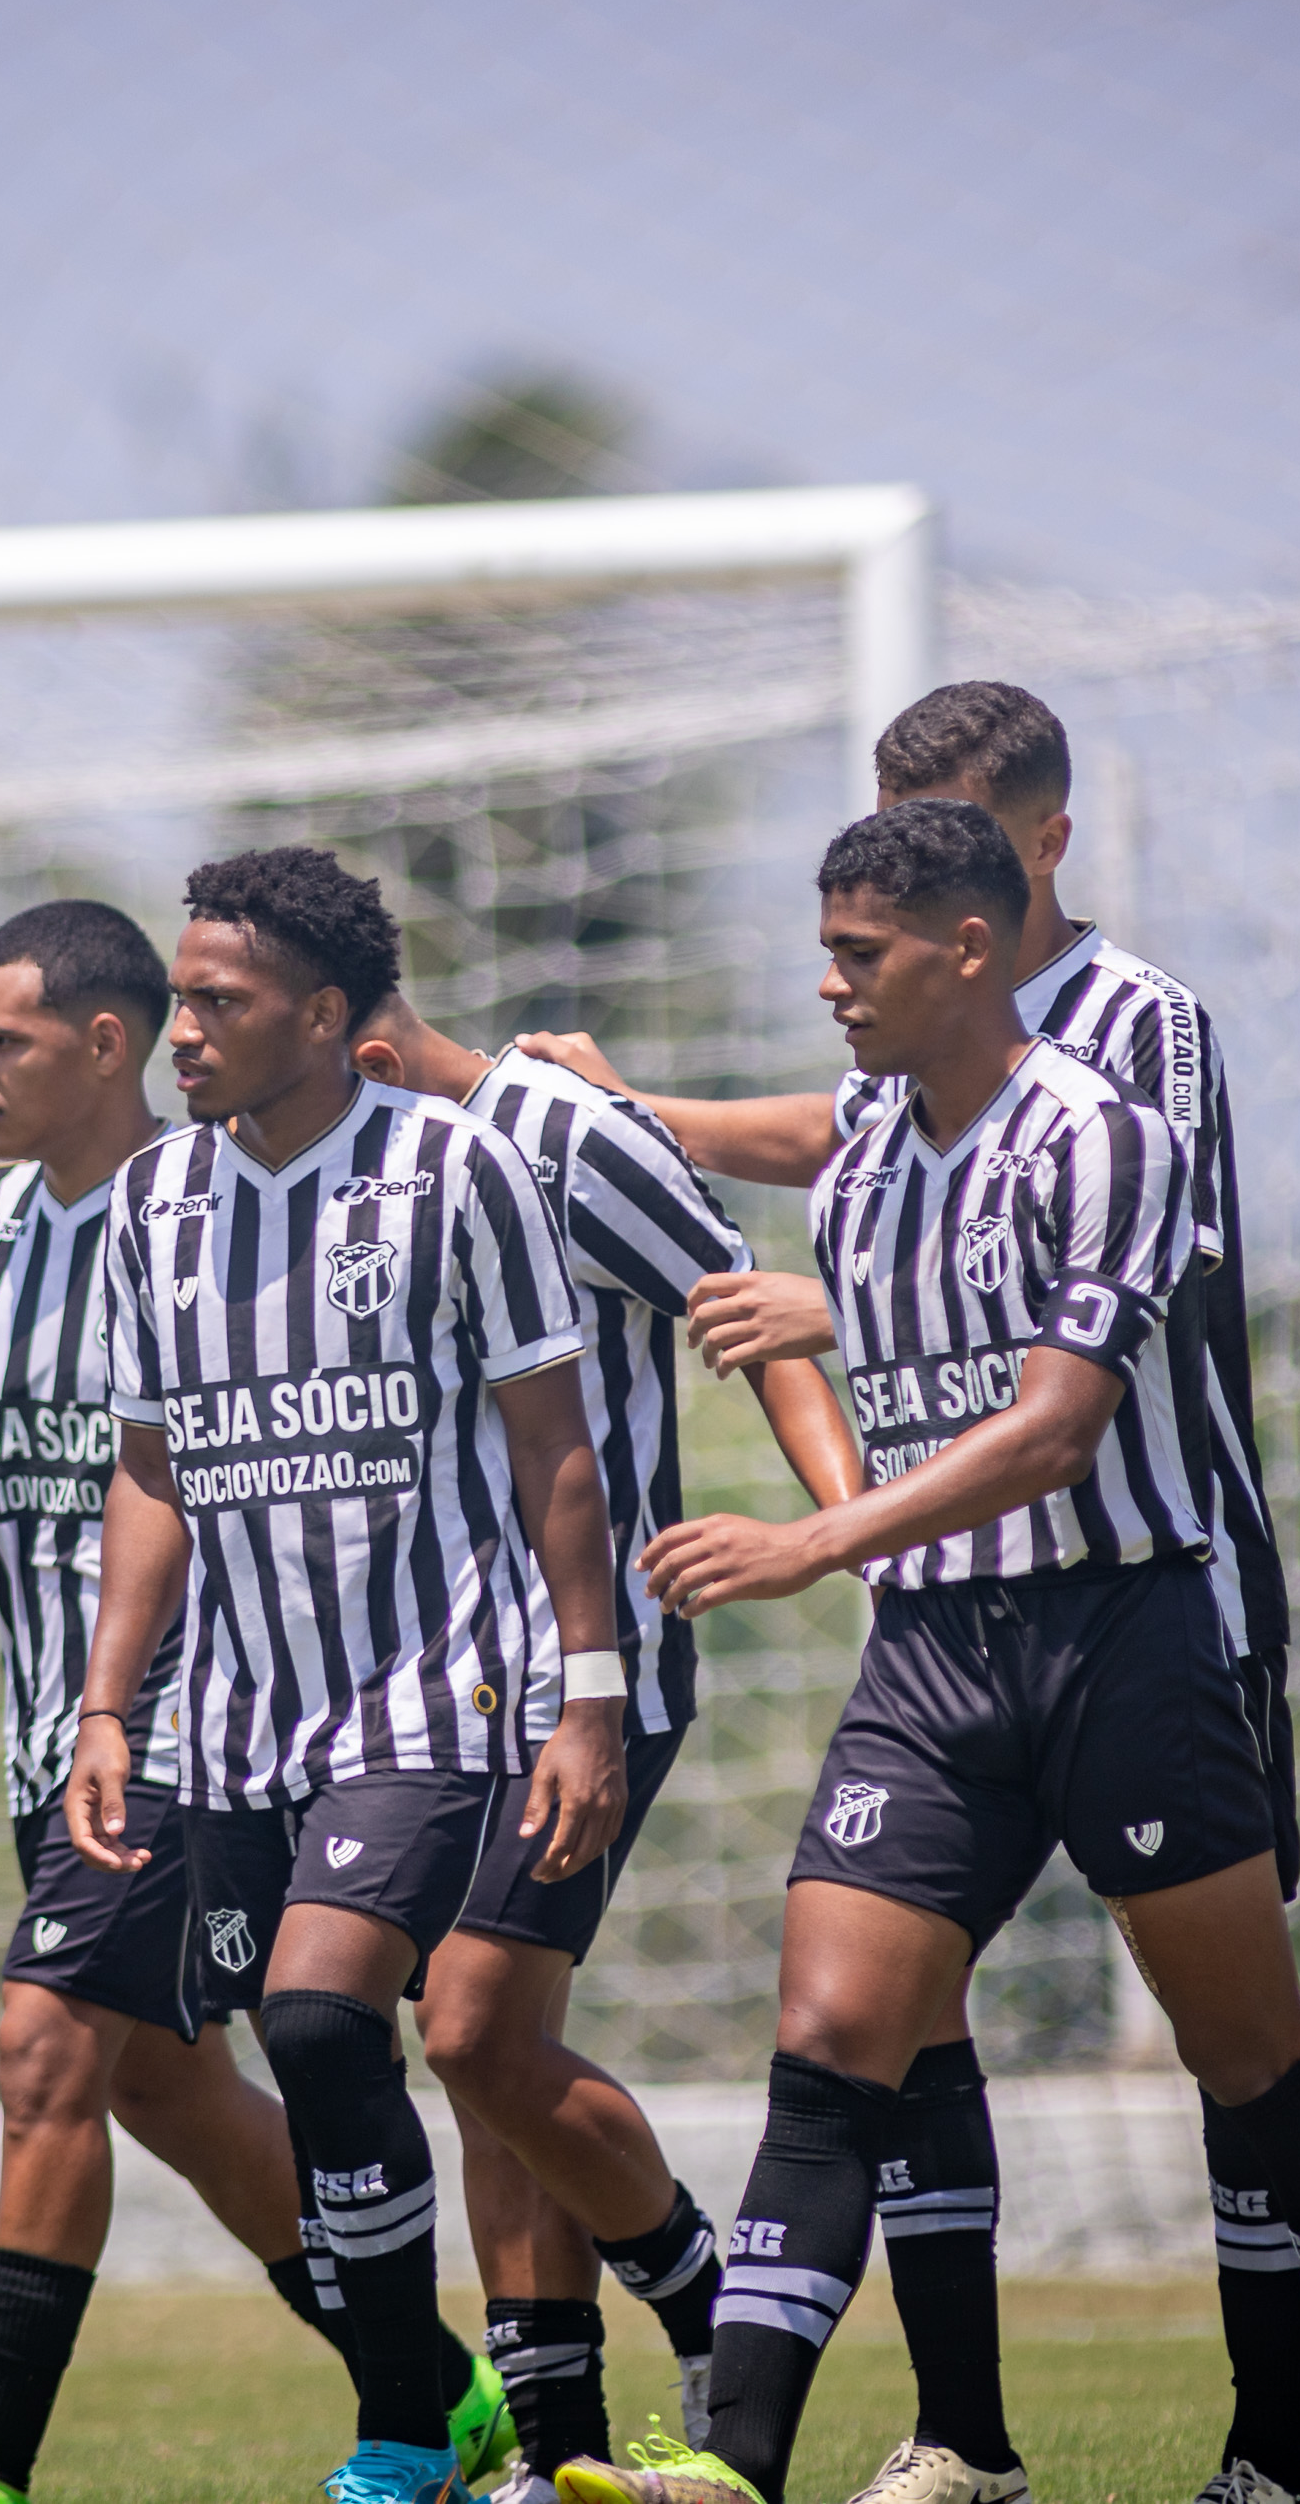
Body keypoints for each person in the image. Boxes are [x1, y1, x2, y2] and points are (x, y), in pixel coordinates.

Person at [558, 802, 1300, 2504]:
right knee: (832, 2044)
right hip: (933, 1664)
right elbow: (903, 1320)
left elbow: (1055, 1429)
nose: (828, 983)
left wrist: (808, 1540)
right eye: (824, 947)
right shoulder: (874, 1157)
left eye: (859, 952)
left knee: (1251, 2061)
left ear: (968, 948)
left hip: (1120, 1640)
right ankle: (732, 2467)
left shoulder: (1101, 1135)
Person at [0, 901, 499, 2504]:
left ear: (108, 1043)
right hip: (47, 1734)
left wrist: (136, 1704)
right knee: (164, 2086)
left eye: (5, 1041)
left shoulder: (202, 1211)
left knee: (46, 2051)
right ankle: (434, 2387)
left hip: (185, 1725)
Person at [63, 846, 624, 2504]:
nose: (184, 1033)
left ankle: (404, 2424)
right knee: (311, 2046)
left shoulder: (458, 1171)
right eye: (178, 1002)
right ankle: (467, 2402)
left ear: (322, 1014)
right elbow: (153, 1476)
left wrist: (587, 1689)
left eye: (220, 1003)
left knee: (321, 2011)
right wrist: (110, 1707)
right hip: (237, 1727)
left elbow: (557, 1453)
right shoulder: (152, 1206)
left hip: (436, 1692)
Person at [349, 993, 866, 2494]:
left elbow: (751, 1318)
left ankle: (707, 2308)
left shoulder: (562, 1132)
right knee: (487, 2055)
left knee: (473, 2030)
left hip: (595, 1672)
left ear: (364, 1051)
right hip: (439, 1680)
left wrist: (837, 1532)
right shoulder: (366, 1176)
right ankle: (556, 2452)